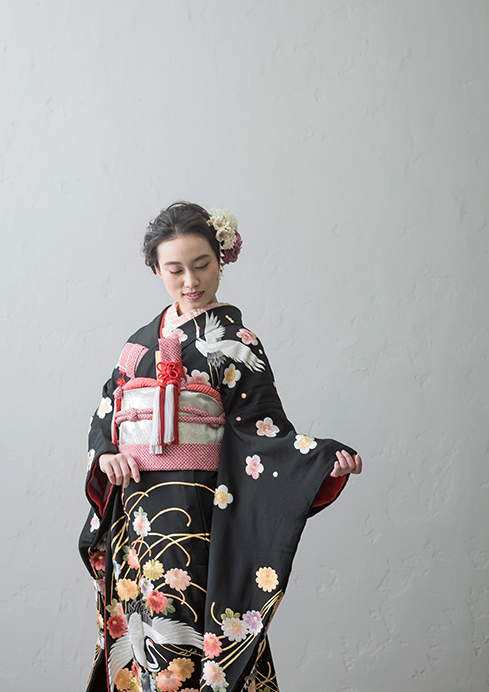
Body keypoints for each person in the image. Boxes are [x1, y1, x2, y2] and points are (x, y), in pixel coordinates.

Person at [79, 202, 362, 692]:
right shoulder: (138, 344)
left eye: (202, 264)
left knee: (191, 639)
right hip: (136, 516)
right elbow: (109, 410)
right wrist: (107, 453)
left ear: (221, 259)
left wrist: (321, 461)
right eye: (175, 270)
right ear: (156, 270)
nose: (190, 281)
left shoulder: (236, 342)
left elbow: (264, 432)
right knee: (141, 636)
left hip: (197, 515)